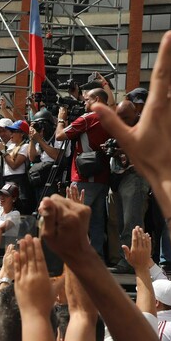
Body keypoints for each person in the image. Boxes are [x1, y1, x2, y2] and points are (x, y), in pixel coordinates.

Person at [56, 88, 112, 260]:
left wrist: (60, 119)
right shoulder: (112, 118)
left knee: (73, 217)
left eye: (86, 100)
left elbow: (59, 136)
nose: (83, 103)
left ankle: (70, 256)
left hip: (83, 177)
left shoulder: (88, 118)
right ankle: (97, 257)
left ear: (96, 99)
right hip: (103, 178)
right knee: (97, 221)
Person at [0, 182, 21, 249]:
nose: (1, 197)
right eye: (1, 194)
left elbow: (0, 229)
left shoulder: (15, 214)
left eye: (6, 195)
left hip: (6, 250)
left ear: (14, 199)